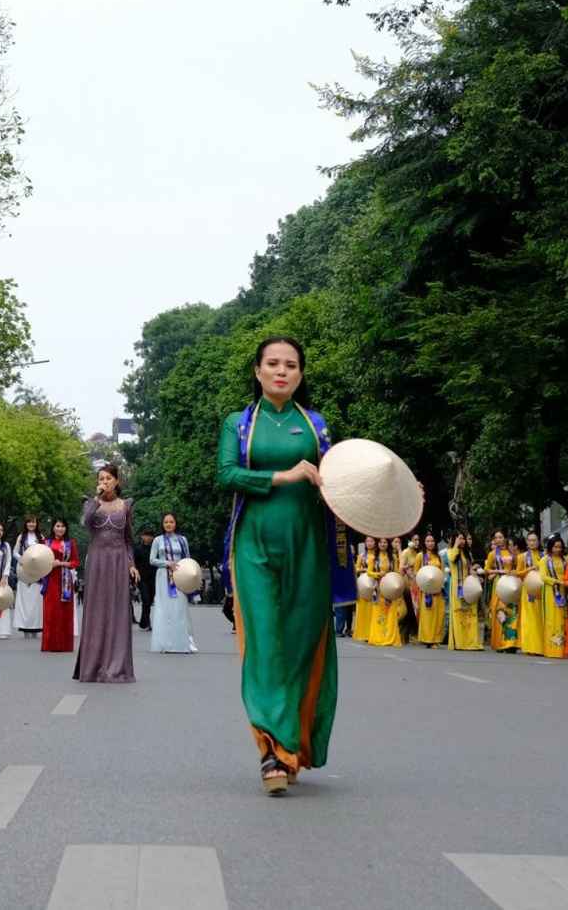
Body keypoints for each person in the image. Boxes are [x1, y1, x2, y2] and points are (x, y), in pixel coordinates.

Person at [218, 335, 353, 796]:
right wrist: (283, 475)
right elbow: (226, 475)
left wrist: (390, 495)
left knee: (300, 644)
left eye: (290, 365)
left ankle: (292, 743)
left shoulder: (316, 426)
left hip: (310, 547)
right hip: (253, 544)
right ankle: (271, 750)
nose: (281, 371)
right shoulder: (239, 424)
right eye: (272, 364)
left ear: (301, 374)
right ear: (256, 371)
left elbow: (343, 483)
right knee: (265, 643)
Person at [74, 465, 136, 684]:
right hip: (98, 561)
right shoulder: (90, 503)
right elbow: (84, 522)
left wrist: (132, 564)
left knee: (118, 611)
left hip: (119, 560)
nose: (105, 482)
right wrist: (95, 500)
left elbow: (128, 538)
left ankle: (117, 666)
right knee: (97, 610)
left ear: (117, 481)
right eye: (101, 478)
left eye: (109, 478)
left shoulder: (126, 505)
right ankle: (92, 667)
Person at [149, 512, 196, 654]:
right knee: (164, 609)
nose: (168, 524)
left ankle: (183, 642)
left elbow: (188, 559)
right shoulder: (158, 540)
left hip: (179, 576)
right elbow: (152, 560)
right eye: (166, 522)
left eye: (171, 522)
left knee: (180, 608)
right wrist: (167, 563)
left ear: (176, 523)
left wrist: (192, 577)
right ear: (162, 524)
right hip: (163, 576)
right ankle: (164, 643)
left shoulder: (182, 540)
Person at [38, 519, 76, 650]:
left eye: (63, 526)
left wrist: (62, 563)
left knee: (65, 611)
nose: (60, 529)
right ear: (53, 527)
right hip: (50, 579)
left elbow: (75, 562)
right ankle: (50, 643)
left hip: (65, 579)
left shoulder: (70, 543)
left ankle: (65, 645)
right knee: (51, 610)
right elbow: (39, 559)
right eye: (57, 526)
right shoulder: (45, 543)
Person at [482, 531, 518, 653]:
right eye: (496, 538)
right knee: (499, 611)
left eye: (500, 537)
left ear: (506, 538)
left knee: (512, 611)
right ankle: (499, 642)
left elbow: (518, 566)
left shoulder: (512, 552)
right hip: (499, 583)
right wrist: (500, 570)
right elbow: (486, 569)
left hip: (512, 583)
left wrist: (514, 572)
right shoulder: (492, 554)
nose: (498, 540)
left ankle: (511, 642)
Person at [445, 534, 482, 651]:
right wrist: (455, 545)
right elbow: (451, 559)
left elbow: (468, 569)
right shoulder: (451, 551)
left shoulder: (468, 554)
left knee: (470, 612)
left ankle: (471, 642)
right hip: (457, 585)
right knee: (459, 613)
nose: (462, 541)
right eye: (459, 538)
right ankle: (460, 642)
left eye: (463, 539)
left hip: (468, 585)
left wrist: (475, 574)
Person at [13, 515, 47, 637]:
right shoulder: (21, 537)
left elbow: (45, 552)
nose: (31, 524)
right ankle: (25, 628)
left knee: (36, 601)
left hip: (37, 572)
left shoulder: (41, 537)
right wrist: (20, 558)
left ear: (36, 523)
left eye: (33, 522)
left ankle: (36, 628)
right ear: (26, 524)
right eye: (29, 522)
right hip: (24, 571)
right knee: (25, 600)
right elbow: (15, 551)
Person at [367, 539, 405, 648]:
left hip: (390, 588)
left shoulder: (393, 558)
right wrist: (377, 574)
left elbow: (397, 572)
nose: (382, 544)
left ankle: (390, 638)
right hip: (379, 589)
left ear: (388, 545)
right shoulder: (373, 558)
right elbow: (369, 572)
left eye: (385, 543)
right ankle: (378, 638)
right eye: (380, 543)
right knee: (379, 613)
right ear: (377, 544)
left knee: (390, 612)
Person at [516, 532, 545, 656]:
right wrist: (529, 569)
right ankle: (531, 646)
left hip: (541, 589)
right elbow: (518, 573)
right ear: (527, 542)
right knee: (530, 619)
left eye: (535, 540)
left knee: (540, 618)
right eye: (530, 540)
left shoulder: (544, 556)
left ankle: (542, 646)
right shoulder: (522, 557)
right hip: (528, 589)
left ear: (538, 542)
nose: (532, 543)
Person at [0, 522, 16, 637]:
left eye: (1, 530)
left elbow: (9, 561)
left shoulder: (6, 545)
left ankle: (3, 631)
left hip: (2, 579)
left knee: (3, 601)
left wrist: (4, 577)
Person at [133, 526, 156, 631]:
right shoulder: (137, 549)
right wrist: (134, 580)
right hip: (142, 579)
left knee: (149, 600)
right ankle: (147, 623)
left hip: (153, 578)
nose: (148, 538)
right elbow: (134, 565)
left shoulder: (154, 550)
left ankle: (143, 621)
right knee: (145, 599)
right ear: (142, 536)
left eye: (150, 536)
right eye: (146, 535)